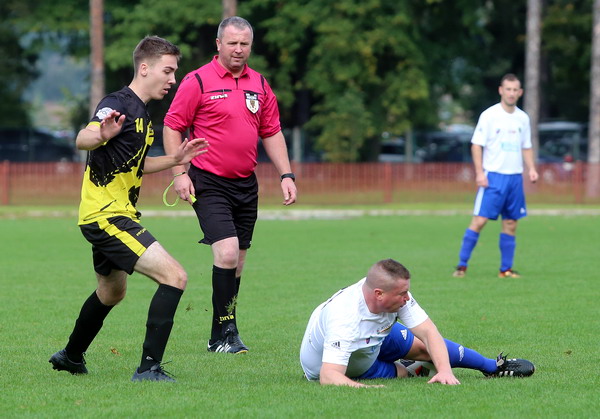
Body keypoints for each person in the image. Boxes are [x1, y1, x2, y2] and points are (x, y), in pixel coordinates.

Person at [49, 36, 209, 382]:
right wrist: (100, 135)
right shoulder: (117, 103)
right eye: (168, 71)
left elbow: (137, 164)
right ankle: (149, 369)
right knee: (175, 277)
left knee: (112, 292)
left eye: (175, 72)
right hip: (107, 216)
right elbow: (83, 138)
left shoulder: (143, 114)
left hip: (112, 214)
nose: (173, 79)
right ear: (145, 68)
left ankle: (70, 356)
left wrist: (176, 159)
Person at [163, 16, 297, 354]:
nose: (238, 49)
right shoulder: (197, 81)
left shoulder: (260, 84)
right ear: (219, 44)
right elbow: (172, 126)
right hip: (208, 180)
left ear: (251, 46)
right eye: (232, 43)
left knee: (237, 261)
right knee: (225, 252)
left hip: (246, 184)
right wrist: (179, 173)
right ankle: (226, 334)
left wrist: (286, 175)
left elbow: (272, 131)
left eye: (244, 44)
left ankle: (220, 335)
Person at [300, 259, 535, 387]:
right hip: (351, 363)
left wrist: (445, 371)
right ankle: (412, 368)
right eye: (402, 293)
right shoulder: (345, 319)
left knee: (426, 346)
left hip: (376, 337)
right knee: (402, 373)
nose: (407, 298)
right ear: (379, 294)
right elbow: (329, 376)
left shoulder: (391, 295)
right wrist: (368, 389)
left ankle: (493, 367)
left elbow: (429, 332)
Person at [453, 73, 539, 279]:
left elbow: (526, 146)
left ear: (520, 92)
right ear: (501, 90)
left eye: (515, 90)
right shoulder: (489, 115)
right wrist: (479, 173)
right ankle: (461, 266)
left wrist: (532, 168)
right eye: (508, 89)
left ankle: (505, 270)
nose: (511, 93)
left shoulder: (523, 118)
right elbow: (476, 145)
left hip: (514, 178)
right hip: (493, 177)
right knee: (480, 221)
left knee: (511, 223)